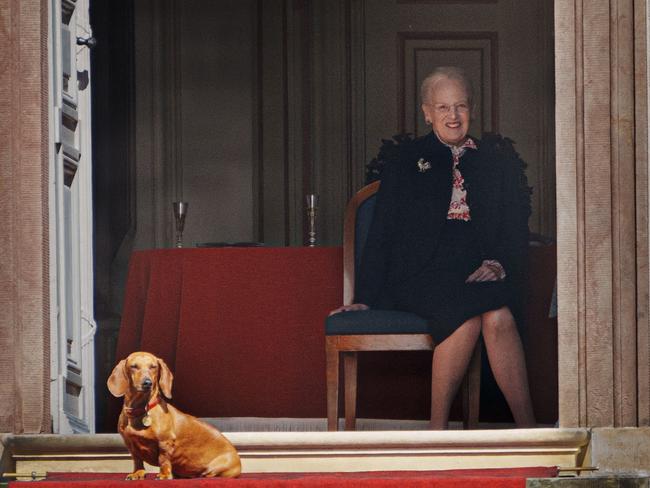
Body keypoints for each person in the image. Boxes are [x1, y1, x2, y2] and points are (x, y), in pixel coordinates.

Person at [329, 66, 536, 429]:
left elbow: (514, 226)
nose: (453, 117)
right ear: (427, 112)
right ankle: (437, 431)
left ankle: (528, 429)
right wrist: (366, 296)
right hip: (419, 272)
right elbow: (382, 233)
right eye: (443, 108)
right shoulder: (406, 161)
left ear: (471, 109)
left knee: (499, 315)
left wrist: (500, 263)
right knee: (468, 313)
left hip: (475, 269)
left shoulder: (495, 162)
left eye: (460, 107)